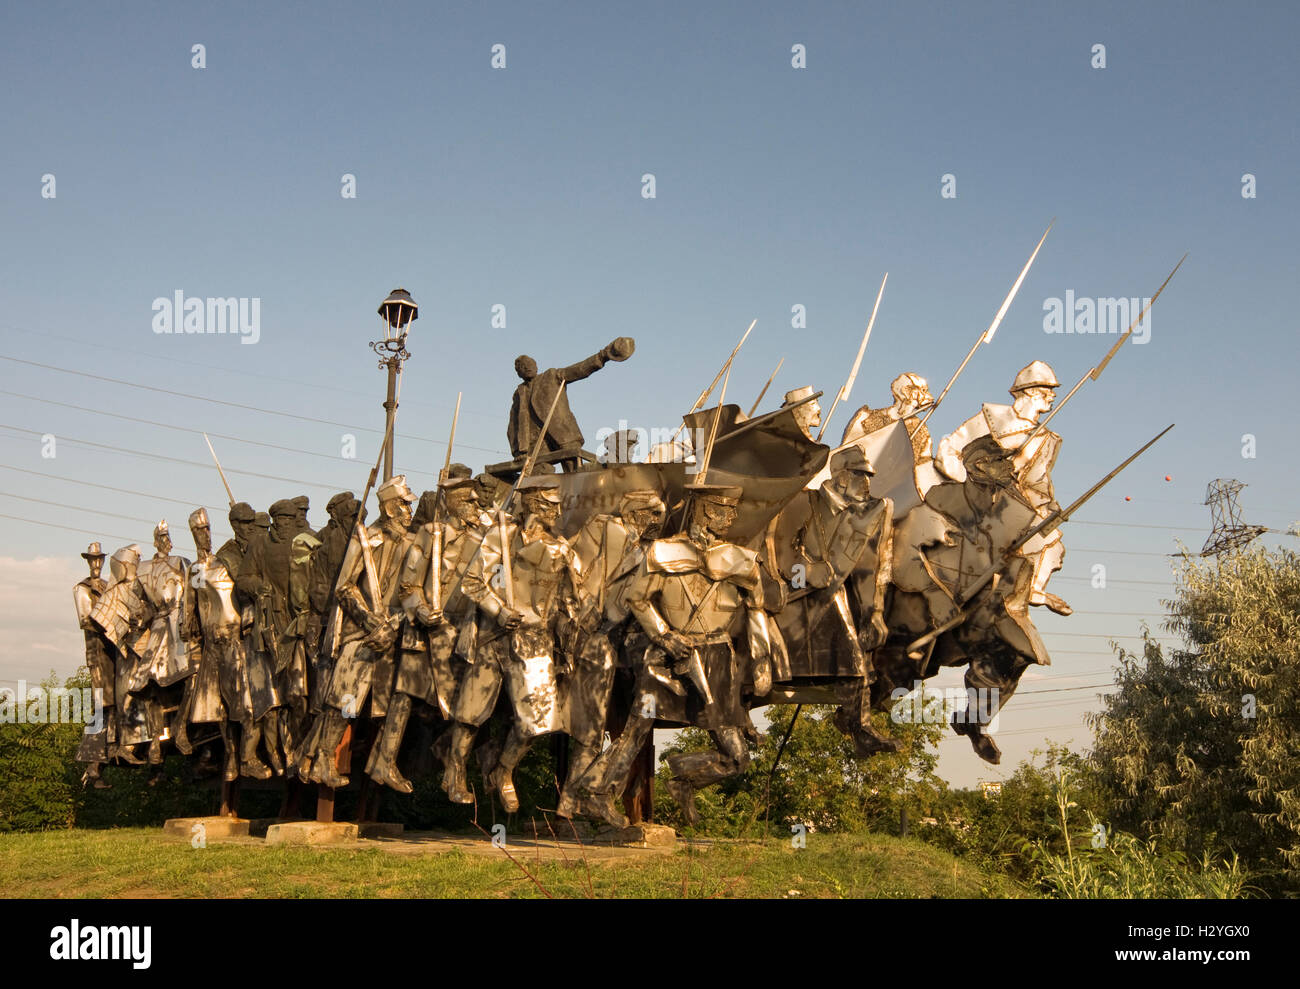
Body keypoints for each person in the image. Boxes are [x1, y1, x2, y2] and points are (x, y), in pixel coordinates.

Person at [442, 479, 589, 811]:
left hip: (535, 641)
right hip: (494, 637)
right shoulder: (501, 537)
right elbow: (472, 581)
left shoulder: (561, 550)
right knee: (470, 714)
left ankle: (503, 770)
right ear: (535, 504)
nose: (559, 511)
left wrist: (567, 643)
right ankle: (454, 771)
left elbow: (570, 602)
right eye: (552, 505)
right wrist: (499, 610)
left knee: (536, 722)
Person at [935, 360, 1070, 615]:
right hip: (972, 496)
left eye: (1052, 392)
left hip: (1013, 504)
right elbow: (949, 448)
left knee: (1052, 544)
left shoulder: (1046, 439)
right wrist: (972, 481)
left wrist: (1048, 512)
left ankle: (1026, 593)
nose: (1052, 396)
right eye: (1046, 390)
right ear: (1029, 392)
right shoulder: (992, 417)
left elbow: (1036, 485)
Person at [507, 338, 635, 468]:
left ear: (536, 365)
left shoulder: (551, 376)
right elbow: (513, 425)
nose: (527, 367)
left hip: (563, 434)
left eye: (530, 363)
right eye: (522, 367)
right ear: (519, 373)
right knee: (535, 479)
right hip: (538, 445)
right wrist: (518, 450)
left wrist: (604, 355)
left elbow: (579, 369)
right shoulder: (519, 393)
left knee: (575, 475)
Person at [72, 542, 113, 787]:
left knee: (115, 705)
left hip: (113, 652)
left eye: (99, 560)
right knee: (101, 707)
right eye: (92, 560)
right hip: (97, 654)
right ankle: (92, 765)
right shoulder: (81, 588)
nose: (96, 564)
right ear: (87, 561)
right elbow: (87, 620)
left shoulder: (108, 587)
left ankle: (102, 762)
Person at [840, 371, 934, 463]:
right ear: (906, 391)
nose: (929, 396)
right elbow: (846, 450)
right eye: (922, 390)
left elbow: (923, 462)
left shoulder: (920, 430)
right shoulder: (866, 417)